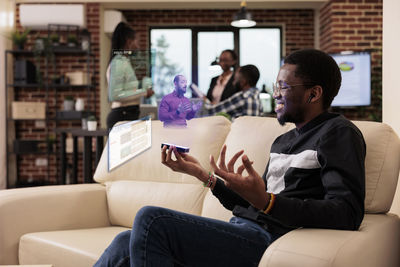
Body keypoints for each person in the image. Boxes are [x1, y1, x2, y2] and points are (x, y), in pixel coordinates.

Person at [94, 49, 366, 267]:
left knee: (151, 220)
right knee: (124, 242)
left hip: (268, 240)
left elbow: (346, 212)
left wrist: (267, 201)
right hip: (243, 229)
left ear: (314, 93)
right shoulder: (283, 140)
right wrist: (204, 176)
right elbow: (254, 204)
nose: (275, 94)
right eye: (275, 86)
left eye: (283, 87)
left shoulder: (337, 133)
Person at [106, 22, 154, 130]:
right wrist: (144, 92)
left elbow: (125, 90)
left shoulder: (124, 62)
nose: (138, 45)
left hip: (126, 115)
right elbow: (115, 95)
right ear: (129, 42)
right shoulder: (119, 63)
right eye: (136, 41)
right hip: (122, 116)